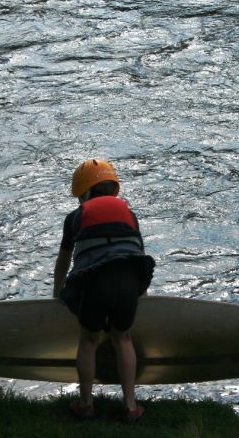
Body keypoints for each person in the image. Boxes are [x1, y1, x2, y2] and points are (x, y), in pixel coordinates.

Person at [53, 158, 155, 423]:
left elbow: (64, 260)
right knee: (123, 337)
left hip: (96, 281)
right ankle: (131, 407)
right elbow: (138, 253)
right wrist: (141, 293)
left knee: (89, 339)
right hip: (129, 280)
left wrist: (57, 291)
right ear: (113, 190)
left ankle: (86, 405)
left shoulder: (74, 218)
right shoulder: (128, 214)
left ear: (84, 193)